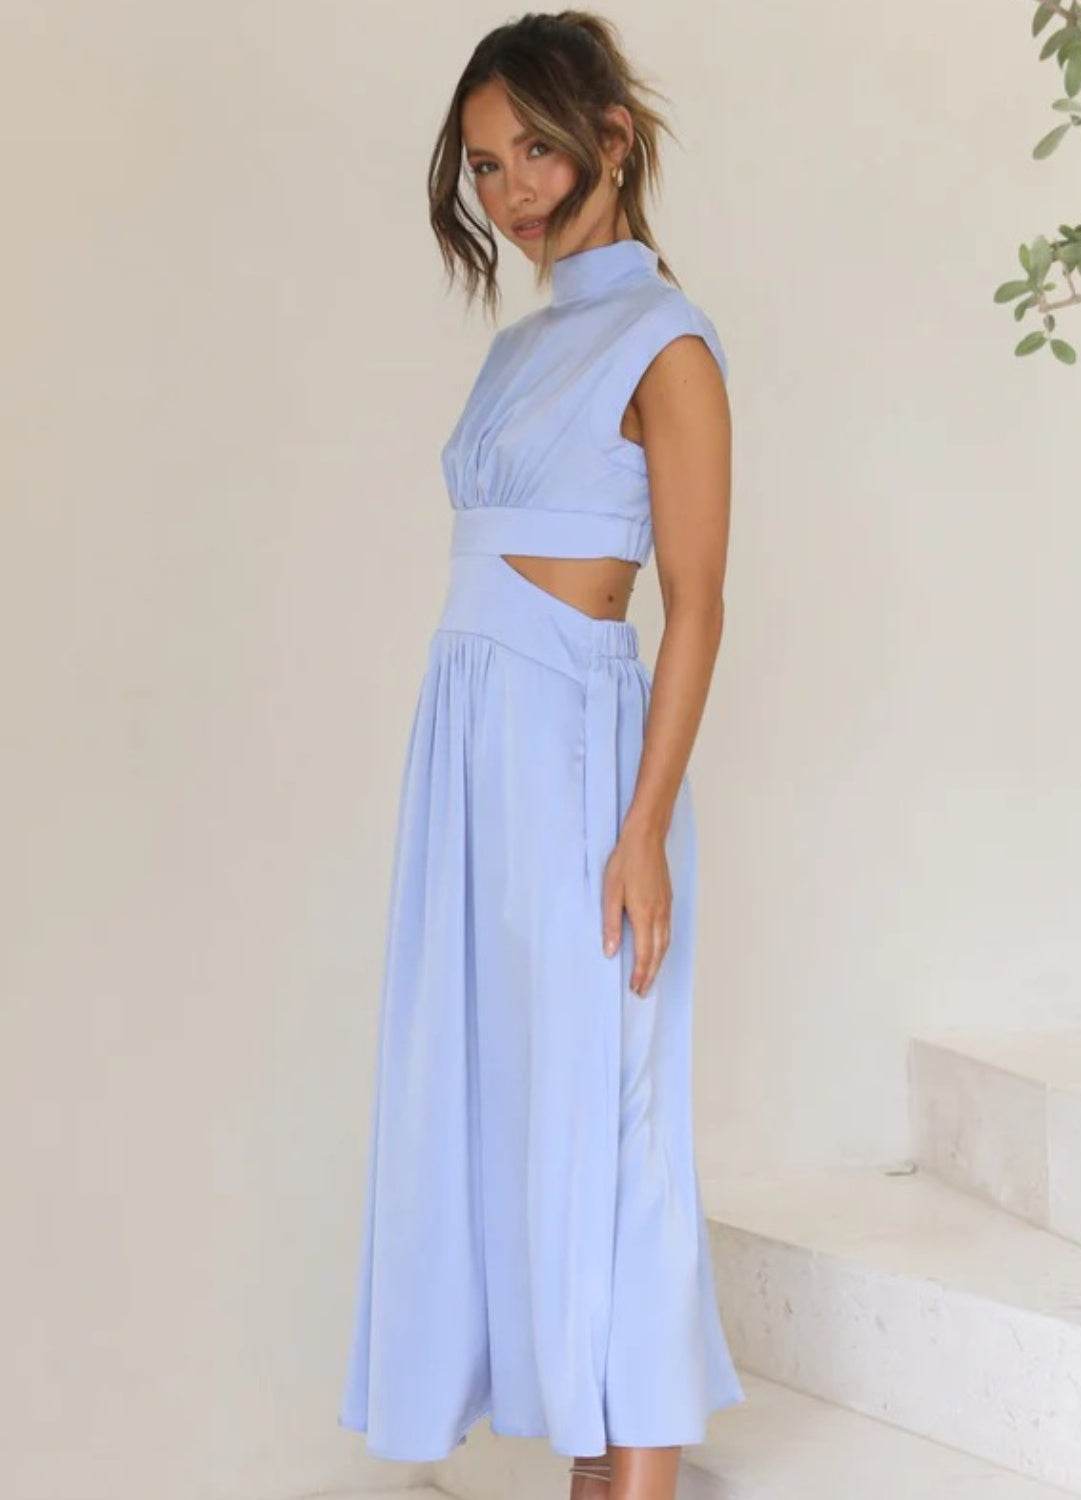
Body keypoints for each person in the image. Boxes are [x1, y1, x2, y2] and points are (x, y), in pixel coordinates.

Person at [338, 11, 743, 1498]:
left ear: (611, 140)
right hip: (470, 769)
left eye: (535, 153)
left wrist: (641, 830)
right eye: (485, 164)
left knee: (609, 1129)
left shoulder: (666, 343)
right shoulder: (520, 350)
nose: (509, 191)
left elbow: (696, 602)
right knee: (514, 1121)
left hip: (580, 767)